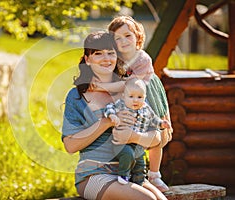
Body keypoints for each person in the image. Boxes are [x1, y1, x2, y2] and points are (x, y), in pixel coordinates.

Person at [62, 31, 167, 200]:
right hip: (93, 175)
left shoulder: (130, 90)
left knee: (161, 199)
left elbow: (156, 138)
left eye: (111, 53)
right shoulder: (77, 97)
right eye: (98, 54)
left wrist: (133, 136)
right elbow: (70, 146)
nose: (106, 58)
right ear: (87, 60)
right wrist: (105, 122)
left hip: (131, 174)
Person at [92, 15, 173, 192]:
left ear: (137, 36)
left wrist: (103, 86)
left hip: (146, 93)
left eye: (128, 35)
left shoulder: (142, 58)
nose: (124, 41)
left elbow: (128, 84)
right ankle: (135, 173)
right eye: (117, 38)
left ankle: (155, 175)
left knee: (154, 132)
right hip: (127, 98)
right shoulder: (117, 59)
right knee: (132, 133)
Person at [104, 77, 171, 185]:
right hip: (122, 143)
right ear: (124, 96)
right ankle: (123, 175)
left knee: (140, 163)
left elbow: (153, 119)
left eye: (139, 97)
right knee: (128, 154)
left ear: (144, 98)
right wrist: (112, 116)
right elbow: (109, 107)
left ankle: (139, 181)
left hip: (137, 143)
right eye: (131, 96)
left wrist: (162, 123)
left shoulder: (146, 108)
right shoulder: (121, 104)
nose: (135, 100)